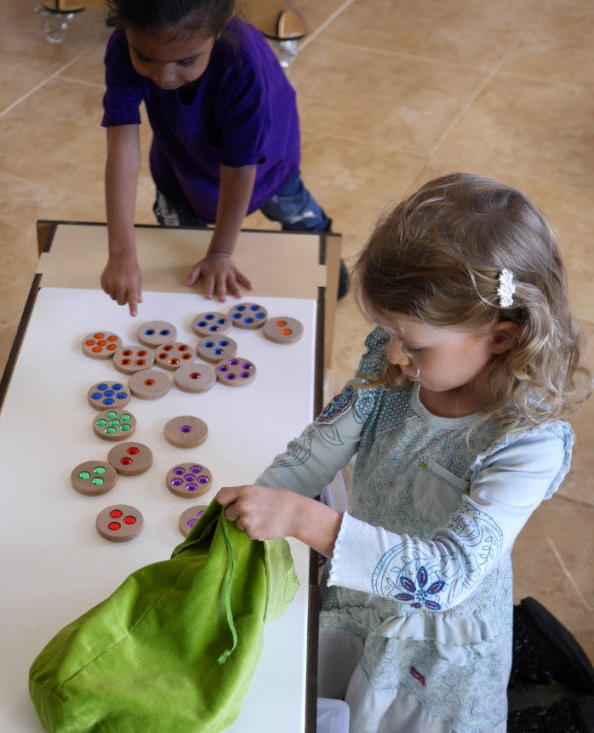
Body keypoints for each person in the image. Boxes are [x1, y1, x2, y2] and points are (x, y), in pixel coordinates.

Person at [216, 173, 592, 733]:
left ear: (502, 336)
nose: (393, 354)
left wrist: (301, 518)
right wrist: (262, 500)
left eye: (412, 343)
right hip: (362, 592)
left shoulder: (526, 443)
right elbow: (322, 444)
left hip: (436, 647)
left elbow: (448, 576)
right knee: (345, 693)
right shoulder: (393, 365)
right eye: (388, 333)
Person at [98, 0, 345, 317]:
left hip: (262, 160)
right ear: (124, 27)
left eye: (186, 61)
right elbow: (122, 147)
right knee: (178, 223)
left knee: (290, 205)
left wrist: (221, 253)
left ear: (219, 27)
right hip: (182, 152)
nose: (164, 76)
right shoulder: (121, 48)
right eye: (145, 58)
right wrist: (121, 253)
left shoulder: (241, 63)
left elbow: (240, 167)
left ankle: (321, 243)